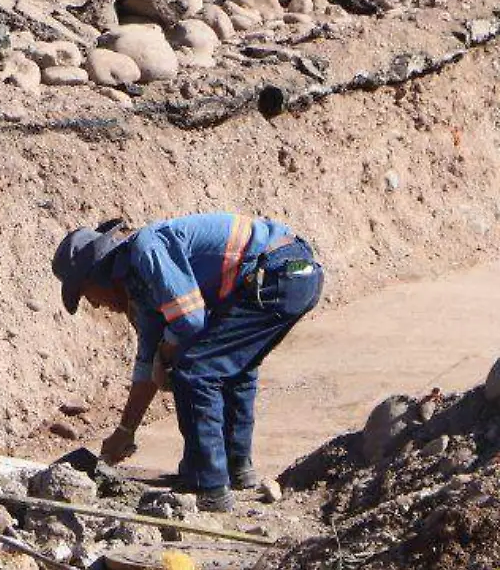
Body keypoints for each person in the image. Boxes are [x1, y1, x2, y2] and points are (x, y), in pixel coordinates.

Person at [52, 213, 325, 512]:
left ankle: (209, 486)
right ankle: (236, 468)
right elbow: (147, 360)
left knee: (195, 371)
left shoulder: (147, 251)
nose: (93, 304)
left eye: (86, 293)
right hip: (290, 273)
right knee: (234, 368)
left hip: (280, 272)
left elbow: (190, 322)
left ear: (98, 276)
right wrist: (125, 431)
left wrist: (167, 355)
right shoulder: (142, 286)